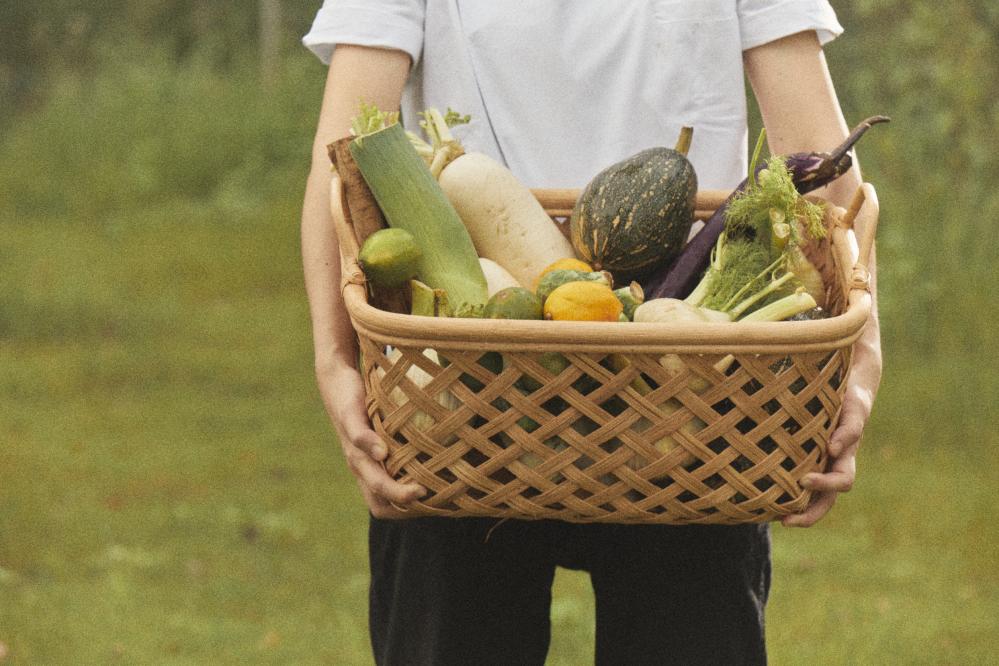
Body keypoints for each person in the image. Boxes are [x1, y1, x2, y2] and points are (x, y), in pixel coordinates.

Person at [301, 2, 882, 664]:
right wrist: (335, 363)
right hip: (464, 392)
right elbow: (341, 162)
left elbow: (824, 176)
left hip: (693, 392)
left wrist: (858, 371)